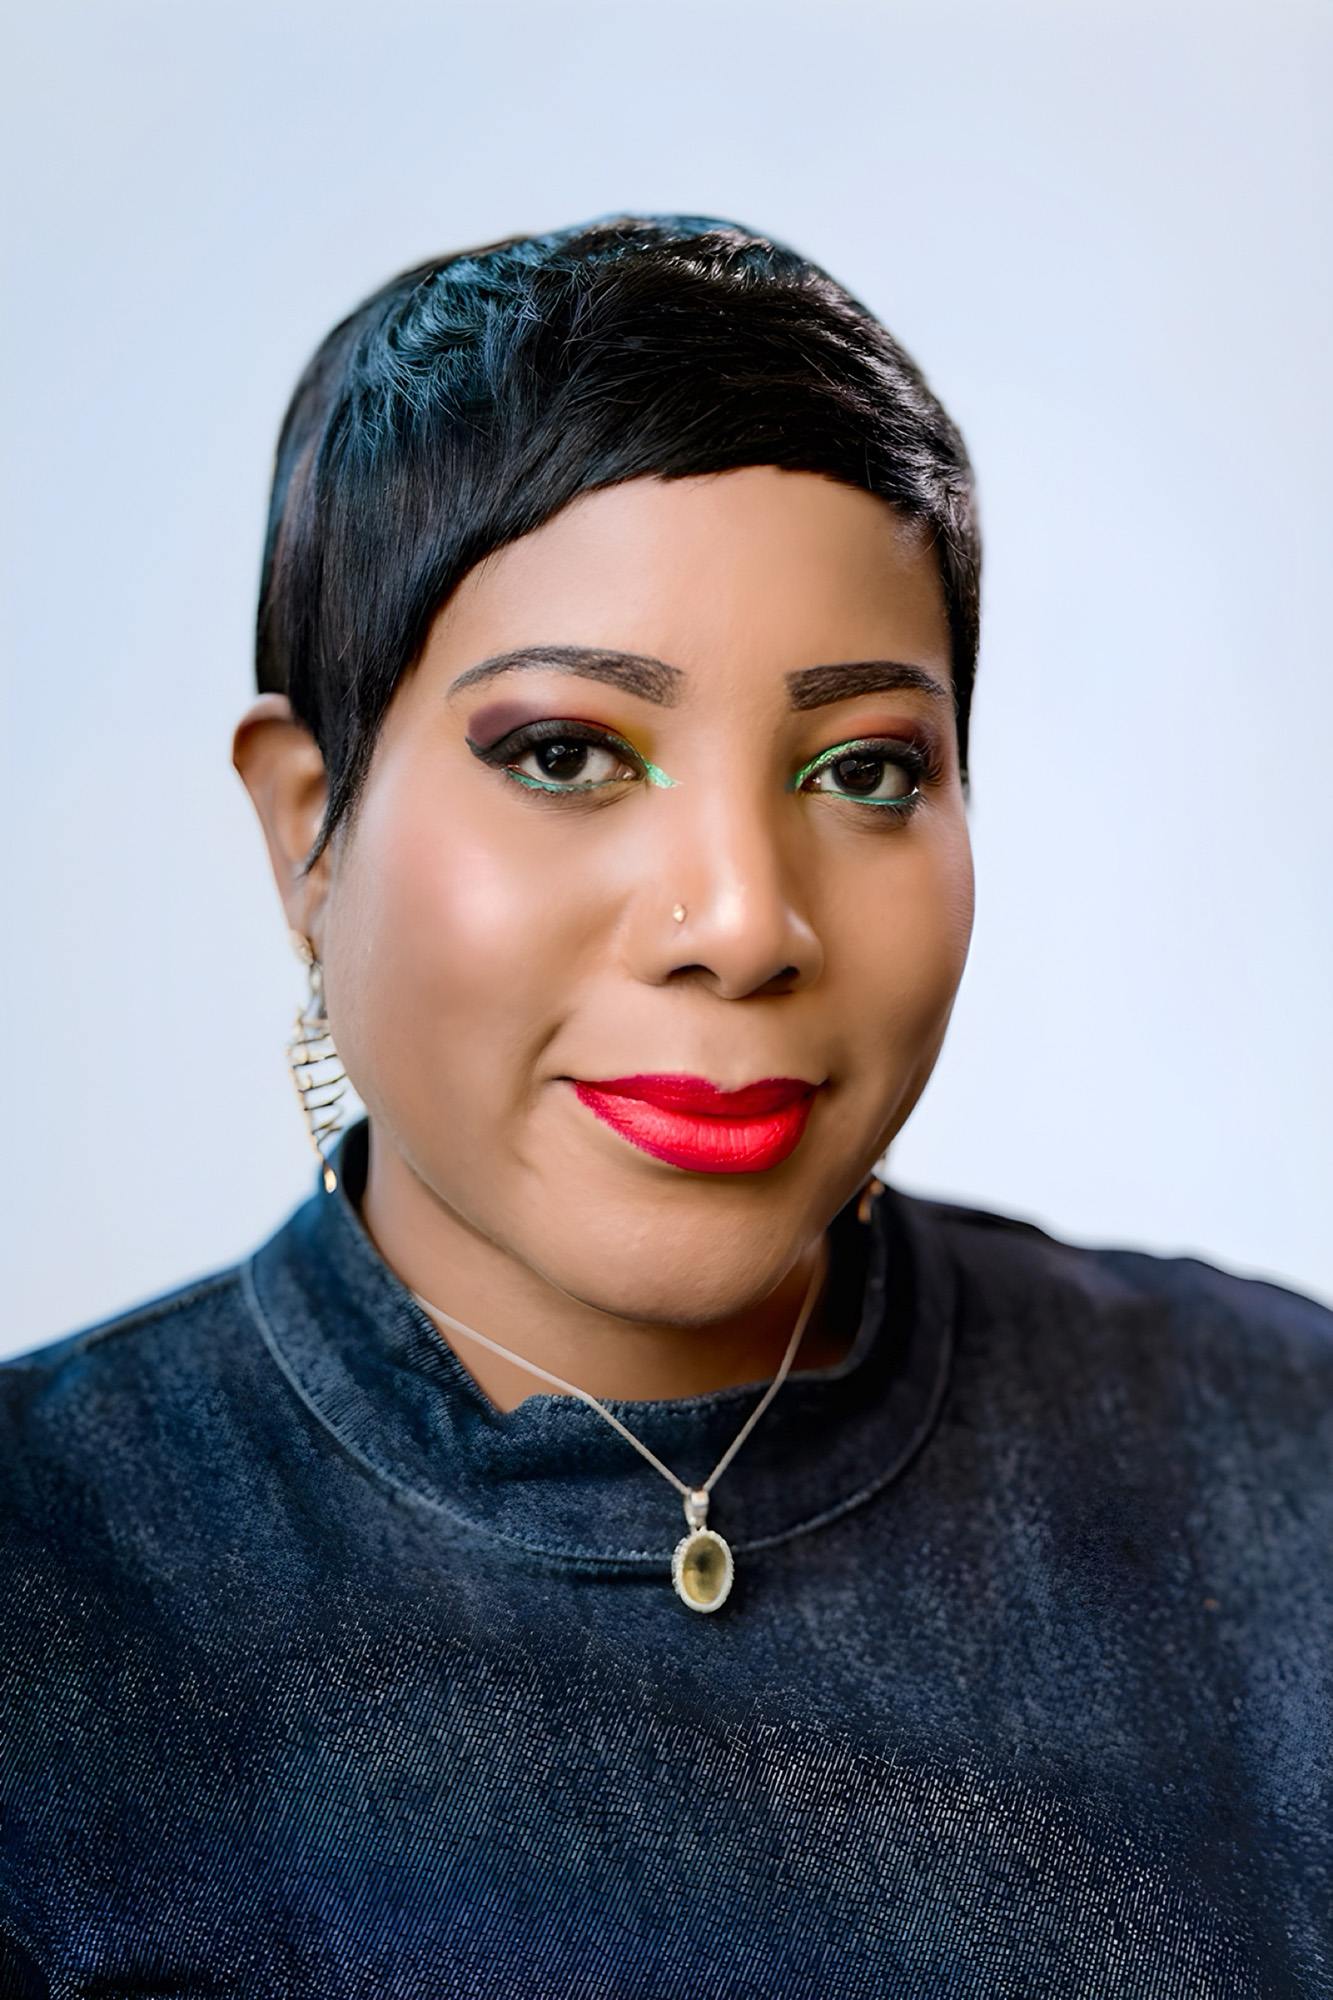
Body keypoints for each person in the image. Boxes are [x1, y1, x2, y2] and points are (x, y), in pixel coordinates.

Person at [1, 216, 1328, 1997]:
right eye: (566, 755)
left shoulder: (1280, 1470)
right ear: (305, 829)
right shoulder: (50, 1595)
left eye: (861, 769)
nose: (743, 923)